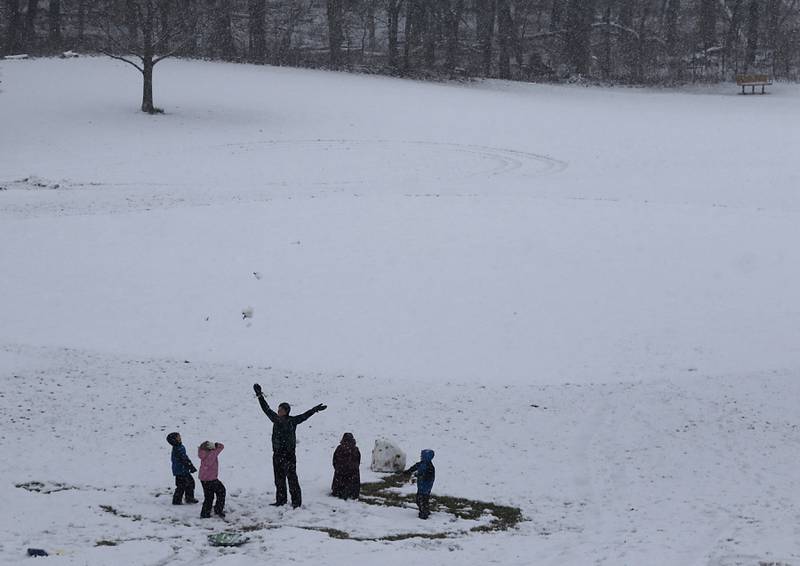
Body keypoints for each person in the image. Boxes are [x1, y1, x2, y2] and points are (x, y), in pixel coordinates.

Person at [253, 383, 327, 508]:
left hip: (289, 455)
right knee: (279, 479)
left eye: (281, 409)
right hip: (277, 454)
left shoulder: (292, 421)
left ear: (286, 411)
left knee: (292, 479)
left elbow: (305, 415)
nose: (278, 411)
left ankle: (296, 503)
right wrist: (260, 395)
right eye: (278, 409)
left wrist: (315, 410)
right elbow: (266, 408)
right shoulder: (275, 419)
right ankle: (281, 500)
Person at [166, 432, 198, 505]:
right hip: (180, 471)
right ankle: (176, 500)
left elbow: (185, 457)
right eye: (178, 437)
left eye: (179, 436)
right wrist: (190, 466)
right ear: (174, 440)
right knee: (181, 486)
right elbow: (183, 459)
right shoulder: (177, 449)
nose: (180, 438)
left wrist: (189, 465)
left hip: (184, 470)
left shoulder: (180, 446)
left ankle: (189, 497)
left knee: (190, 483)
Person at [198, 441, 226, 519]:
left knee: (208, 497)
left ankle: (205, 513)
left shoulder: (202, 453)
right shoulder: (212, 454)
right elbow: (221, 447)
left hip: (204, 479)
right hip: (211, 479)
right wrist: (216, 445)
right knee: (221, 491)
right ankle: (218, 509)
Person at [403, 449, 435, 519]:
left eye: (422, 456)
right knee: (423, 500)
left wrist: (420, 475)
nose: (421, 457)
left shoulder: (430, 467)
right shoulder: (421, 464)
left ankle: (424, 514)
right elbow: (415, 467)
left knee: (420, 500)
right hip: (421, 486)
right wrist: (408, 471)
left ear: (427, 457)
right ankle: (426, 510)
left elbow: (429, 476)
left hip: (426, 487)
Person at [331, 433, 361, 500]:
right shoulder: (355, 450)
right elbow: (358, 461)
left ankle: (339, 491)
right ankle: (352, 492)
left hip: (340, 475)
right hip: (353, 476)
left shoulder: (339, 449)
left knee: (340, 477)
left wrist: (337, 468)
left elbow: (334, 460)